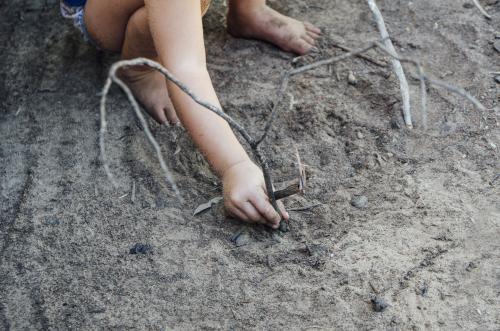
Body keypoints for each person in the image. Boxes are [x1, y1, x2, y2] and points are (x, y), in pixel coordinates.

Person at [60, 0, 321, 229]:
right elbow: (186, 67)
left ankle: (248, 12)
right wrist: (235, 166)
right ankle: (139, 69)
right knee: (169, 16)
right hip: (101, 14)